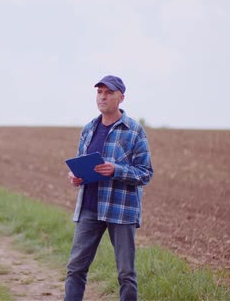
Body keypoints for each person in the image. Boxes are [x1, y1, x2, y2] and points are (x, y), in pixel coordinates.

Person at [64, 75, 153, 301]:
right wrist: (75, 176)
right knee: (75, 268)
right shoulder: (88, 129)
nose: (102, 97)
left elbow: (145, 173)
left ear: (121, 98)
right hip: (89, 208)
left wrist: (116, 170)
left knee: (126, 274)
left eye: (108, 93)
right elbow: (81, 165)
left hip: (120, 211)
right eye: (99, 92)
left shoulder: (134, 131)